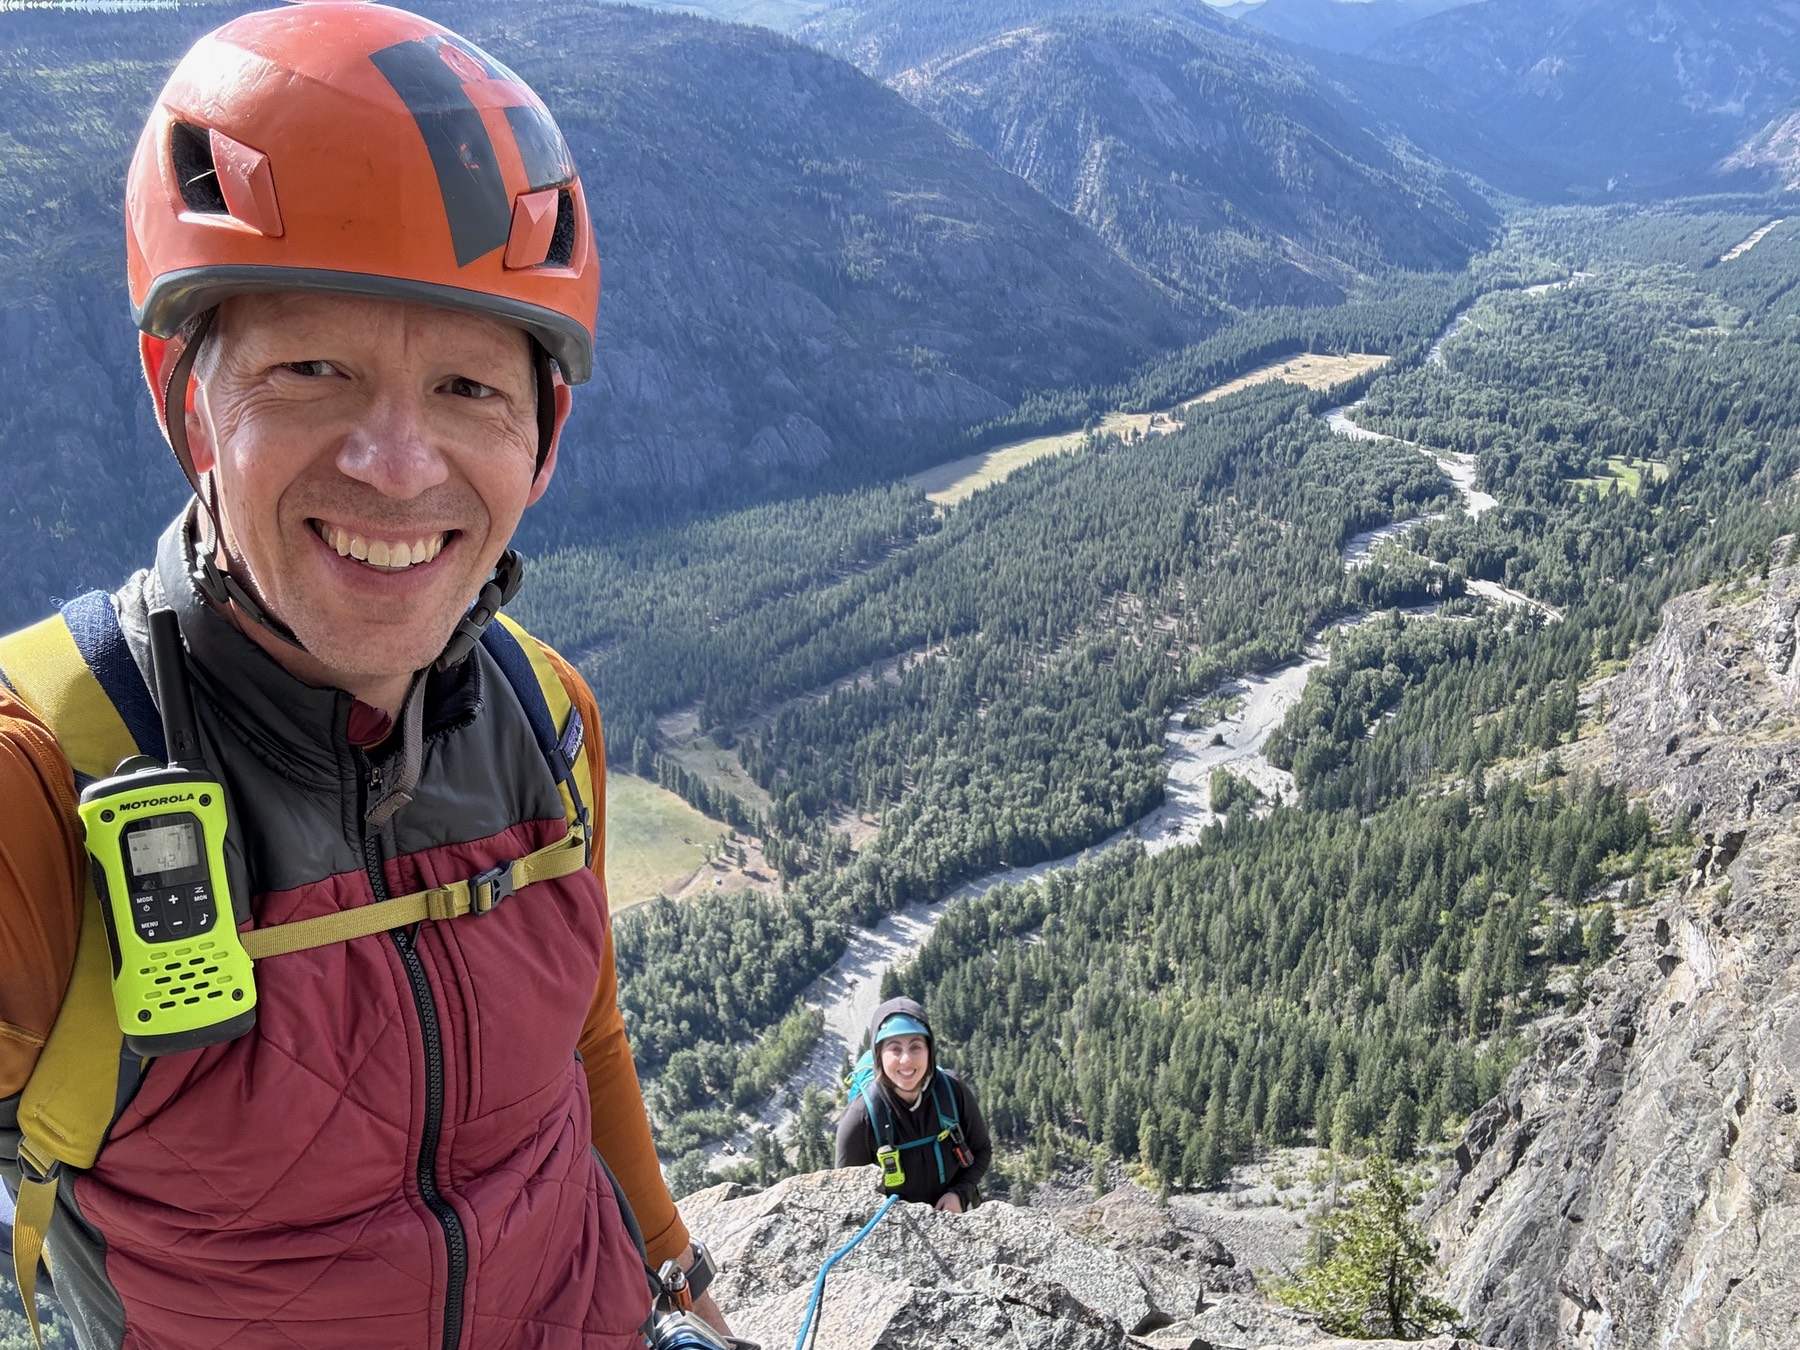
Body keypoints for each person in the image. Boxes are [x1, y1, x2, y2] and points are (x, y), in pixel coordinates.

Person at [0, 3, 733, 1345]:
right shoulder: (38, 787)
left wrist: (673, 1267)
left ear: (540, 438)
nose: (397, 467)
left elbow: (585, 1040)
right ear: (188, 396)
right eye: (312, 369)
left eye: (468, 388)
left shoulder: (546, 716)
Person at [835, 999, 990, 1212]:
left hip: (954, 1213)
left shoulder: (952, 1092)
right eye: (894, 1049)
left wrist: (959, 1193)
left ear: (930, 1050)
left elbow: (981, 1150)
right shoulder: (861, 1116)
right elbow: (848, 1193)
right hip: (891, 1229)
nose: (906, 1060)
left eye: (916, 1046)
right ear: (879, 1055)